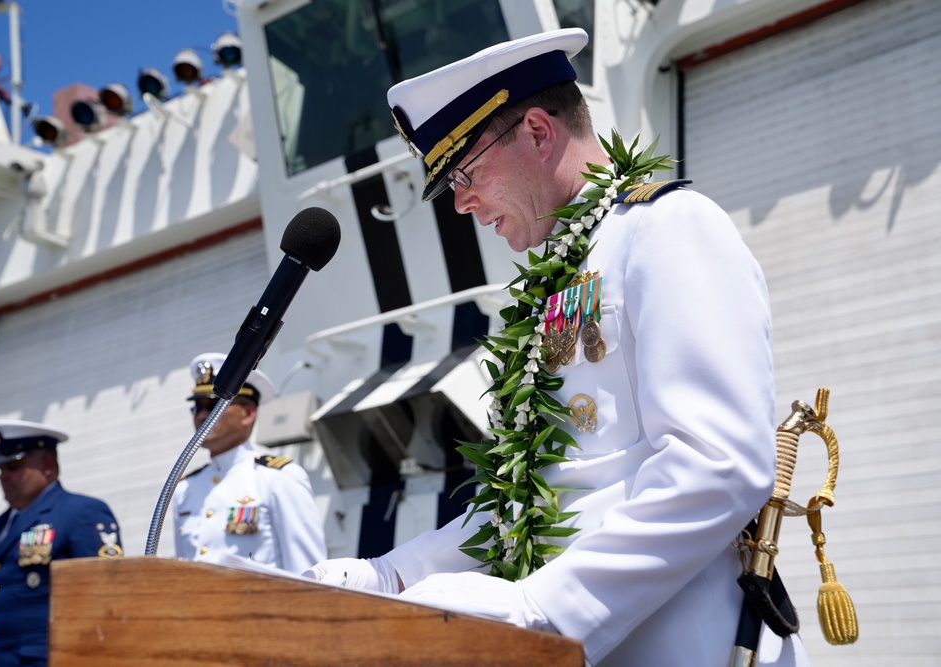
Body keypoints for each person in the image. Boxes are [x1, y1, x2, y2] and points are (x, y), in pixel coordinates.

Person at [302, 28, 810, 667]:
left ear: (539, 133)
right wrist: (391, 576)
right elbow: (542, 497)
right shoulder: (566, 278)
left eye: (464, 170)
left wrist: (546, 611)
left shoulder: (668, 228)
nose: (460, 202)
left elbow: (719, 465)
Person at [0, 418, 123, 667]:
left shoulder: (82, 513)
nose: (3, 476)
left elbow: (105, 600)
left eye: (13, 466)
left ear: (47, 465)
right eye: (0, 469)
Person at [172, 352, 326, 572]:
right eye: (197, 407)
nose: (201, 415)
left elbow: (309, 573)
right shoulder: (184, 489)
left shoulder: (279, 477)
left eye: (213, 405)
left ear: (248, 413)